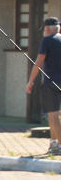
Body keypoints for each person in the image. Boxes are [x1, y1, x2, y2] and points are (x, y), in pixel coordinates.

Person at [26, 16, 61, 155]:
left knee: (53, 115)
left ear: (47, 29)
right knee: (56, 115)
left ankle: (59, 145)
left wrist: (30, 81)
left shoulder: (47, 40)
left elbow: (39, 62)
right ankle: (53, 144)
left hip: (51, 82)